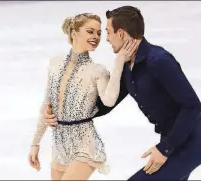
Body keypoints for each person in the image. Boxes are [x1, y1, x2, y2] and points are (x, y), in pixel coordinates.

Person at [44, 6, 201, 180]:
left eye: (108, 32)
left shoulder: (158, 60)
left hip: (192, 142)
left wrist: (164, 149)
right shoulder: (127, 66)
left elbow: (192, 106)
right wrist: (62, 113)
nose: (107, 39)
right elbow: (106, 103)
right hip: (172, 139)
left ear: (121, 34)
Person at [28, 13, 138, 180]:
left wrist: (119, 63)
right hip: (59, 143)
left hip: (85, 143)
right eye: (90, 31)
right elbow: (46, 104)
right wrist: (35, 143)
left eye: (99, 33)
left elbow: (109, 100)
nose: (96, 37)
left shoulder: (97, 71)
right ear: (74, 33)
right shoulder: (55, 63)